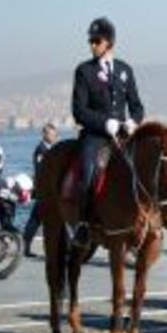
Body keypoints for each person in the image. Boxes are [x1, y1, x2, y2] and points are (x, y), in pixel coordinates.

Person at [71, 17, 144, 247]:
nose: (92, 45)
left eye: (96, 40)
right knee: (88, 172)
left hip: (123, 136)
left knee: (144, 170)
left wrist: (133, 121)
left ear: (109, 42)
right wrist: (105, 123)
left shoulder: (125, 70)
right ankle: (83, 223)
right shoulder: (84, 71)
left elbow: (137, 106)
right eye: (90, 41)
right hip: (95, 135)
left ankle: (143, 219)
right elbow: (79, 111)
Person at [23, 123, 58, 257]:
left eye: (55, 134)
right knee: (36, 219)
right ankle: (26, 245)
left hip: (48, 190)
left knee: (37, 218)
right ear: (44, 134)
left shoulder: (49, 149)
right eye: (51, 134)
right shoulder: (41, 150)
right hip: (44, 190)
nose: (54, 137)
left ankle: (26, 245)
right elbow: (40, 171)